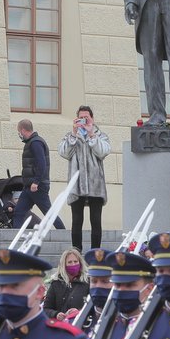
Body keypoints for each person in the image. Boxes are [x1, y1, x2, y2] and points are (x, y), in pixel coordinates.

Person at [58, 105, 111, 250]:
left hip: (96, 186)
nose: (83, 120)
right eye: (80, 118)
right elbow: (63, 153)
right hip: (76, 186)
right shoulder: (71, 136)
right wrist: (74, 134)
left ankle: (95, 254)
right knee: (76, 221)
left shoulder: (100, 135)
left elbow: (103, 152)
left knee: (96, 221)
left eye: (86, 117)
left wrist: (92, 134)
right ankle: (76, 254)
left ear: (92, 119)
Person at [13, 119, 64, 229]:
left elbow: (42, 163)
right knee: (18, 212)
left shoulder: (35, 143)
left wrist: (36, 181)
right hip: (29, 187)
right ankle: (15, 238)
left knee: (49, 214)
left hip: (37, 186)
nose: (19, 134)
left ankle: (65, 235)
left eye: (19, 131)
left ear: (22, 130)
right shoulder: (31, 142)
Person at [42, 247, 90, 320]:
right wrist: (56, 314)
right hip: (61, 327)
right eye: (70, 262)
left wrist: (79, 312)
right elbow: (46, 309)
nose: (73, 264)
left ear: (80, 263)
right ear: (64, 265)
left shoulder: (87, 282)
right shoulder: (56, 283)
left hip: (80, 324)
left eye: (75, 261)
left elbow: (93, 308)